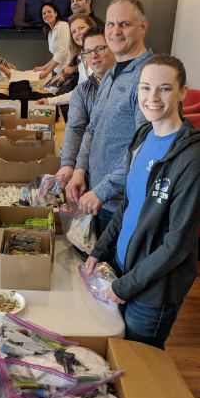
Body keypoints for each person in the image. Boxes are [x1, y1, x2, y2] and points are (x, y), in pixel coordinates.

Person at [86, 54, 200, 350]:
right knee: (119, 354)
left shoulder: (191, 158)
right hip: (122, 269)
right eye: (145, 88)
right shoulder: (143, 135)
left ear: (182, 92)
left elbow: (177, 245)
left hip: (153, 292)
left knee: (140, 367)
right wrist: (100, 249)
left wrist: (125, 287)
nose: (152, 97)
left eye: (164, 88)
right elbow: (128, 204)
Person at [66, 0, 154, 238]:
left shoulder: (150, 77)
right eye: (110, 24)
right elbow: (92, 128)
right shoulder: (111, 73)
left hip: (123, 206)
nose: (115, 31)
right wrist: (79, 170)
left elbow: (147, 151)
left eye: (124, 24)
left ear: (142, 26)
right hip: (97, 198)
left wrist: (103, 189)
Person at [56, 26, 116, 182]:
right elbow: (75, 129)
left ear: (114, 47)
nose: (93, 56)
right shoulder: (81, 91)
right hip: (88, 172)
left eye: (99, 49)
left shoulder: (128, 87)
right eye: (88, 52)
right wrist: (67, 164)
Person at [36, 14, 96, 107]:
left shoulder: (101, 57)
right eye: (73, 32)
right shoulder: (82, 58)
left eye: (81, 28)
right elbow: (79, 93)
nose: (78, 33)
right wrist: (50, 101)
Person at [33, 2, 71, 80]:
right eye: (44, 13)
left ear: (56, 13)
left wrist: (47, 72)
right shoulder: (50, 32)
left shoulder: (62, 25)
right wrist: (43, 68)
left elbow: (63, 51)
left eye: (49, 12)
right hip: (57, 72)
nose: (46, 14)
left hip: (66, 73)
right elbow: (55, 55)